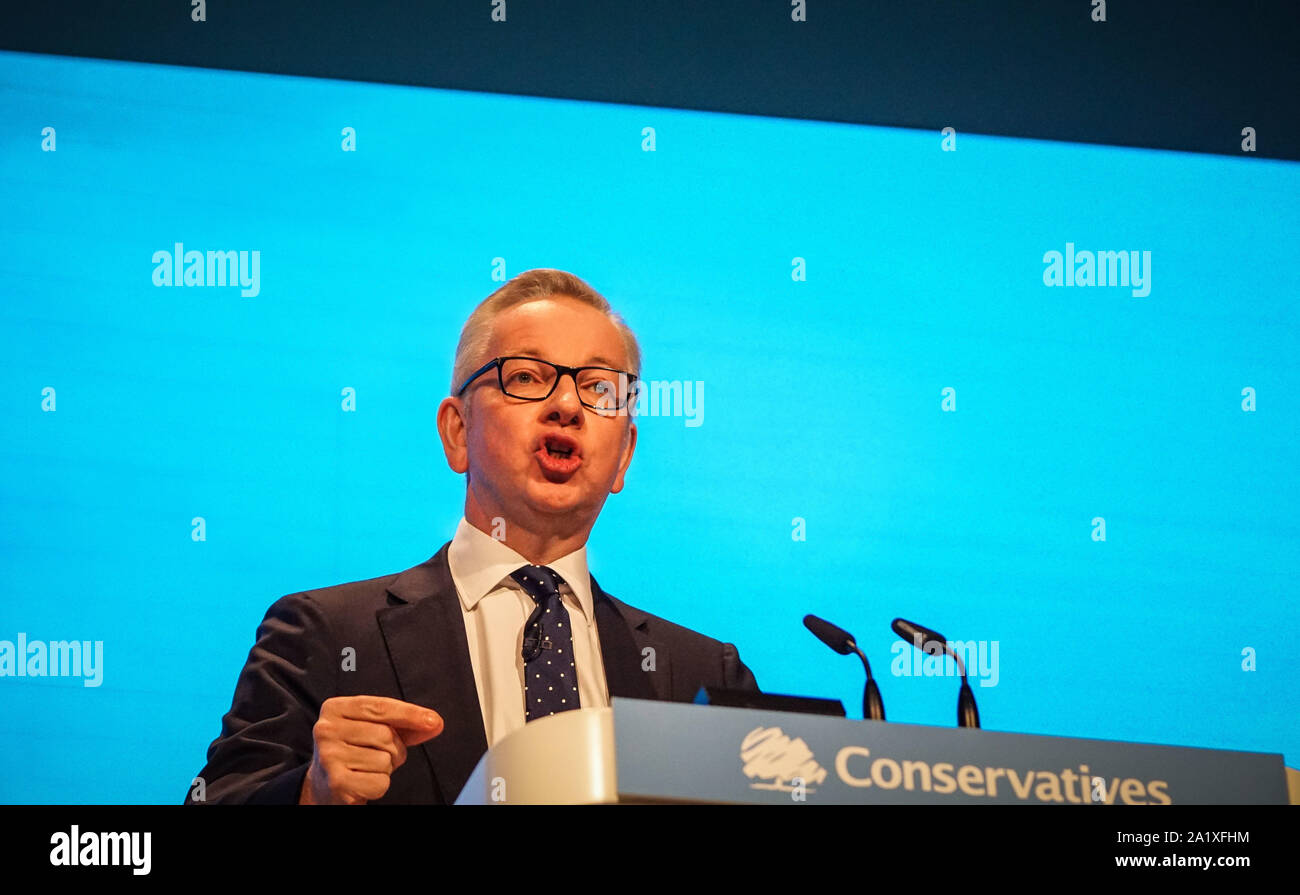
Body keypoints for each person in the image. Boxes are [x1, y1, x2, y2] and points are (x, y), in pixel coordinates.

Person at [186, 268, 760, 805]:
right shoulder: (324, 634)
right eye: (528, 377)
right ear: (457, 432)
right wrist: (312, 794)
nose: (566, 406)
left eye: (599, 388)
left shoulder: (701, 675)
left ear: (624, 456)